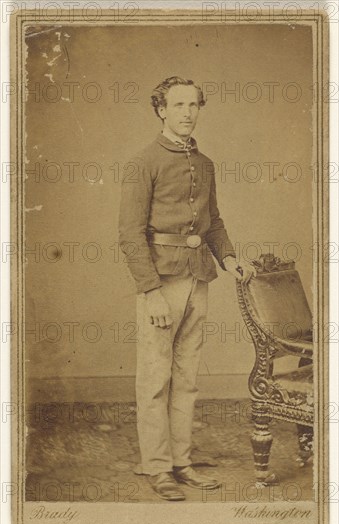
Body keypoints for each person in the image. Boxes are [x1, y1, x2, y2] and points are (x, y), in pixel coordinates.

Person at [118, 76, 255, 501]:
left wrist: (229, 258)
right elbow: (129, 234)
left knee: (188, 379)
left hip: (199, 279)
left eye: (193, 105)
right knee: (155, 378)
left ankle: (182, 463)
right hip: (161, 282)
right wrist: (151, 290)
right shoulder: (144, 162)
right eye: (177, 105)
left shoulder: (206, 163)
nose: (187, 112)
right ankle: (158, 467)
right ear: (161, 109)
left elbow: (213, 221)